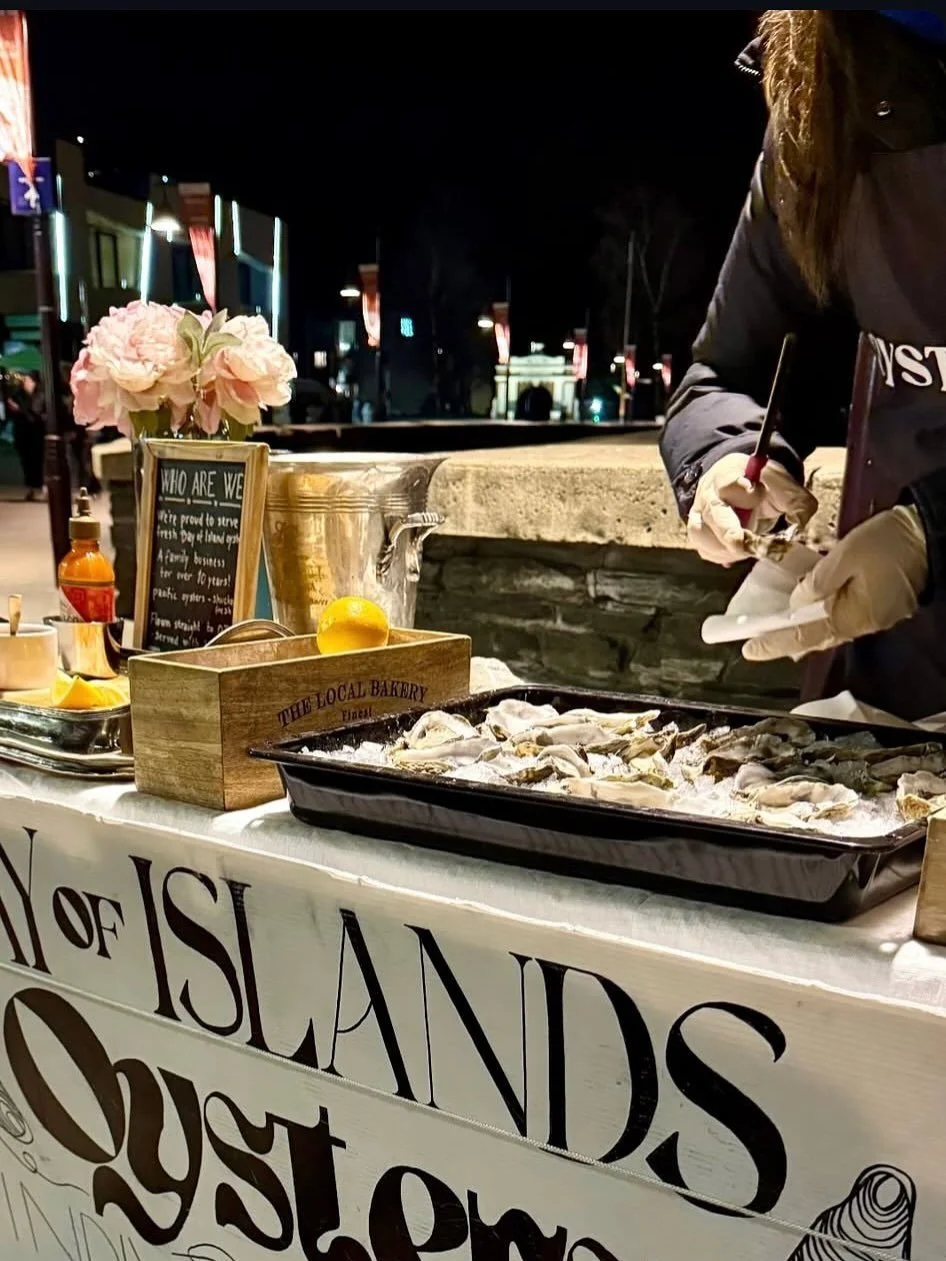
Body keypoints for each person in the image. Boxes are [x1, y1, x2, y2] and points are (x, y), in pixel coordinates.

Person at [660, 9, 946, 722]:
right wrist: (726, 459)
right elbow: (726, 375)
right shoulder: (822, 94)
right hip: (898, 677)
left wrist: (932, 533)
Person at [8, 371, 45, 502]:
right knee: (26, 462)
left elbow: (35, 414)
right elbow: (12, 413)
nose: (26, 383)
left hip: (36, 434)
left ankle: (39, 488)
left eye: (29, 380)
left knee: (37, 461)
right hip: (22, 434)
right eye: (26, 380)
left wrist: (20, 409)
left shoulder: (39, 396)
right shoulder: (18, 395)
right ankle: (31, 488)